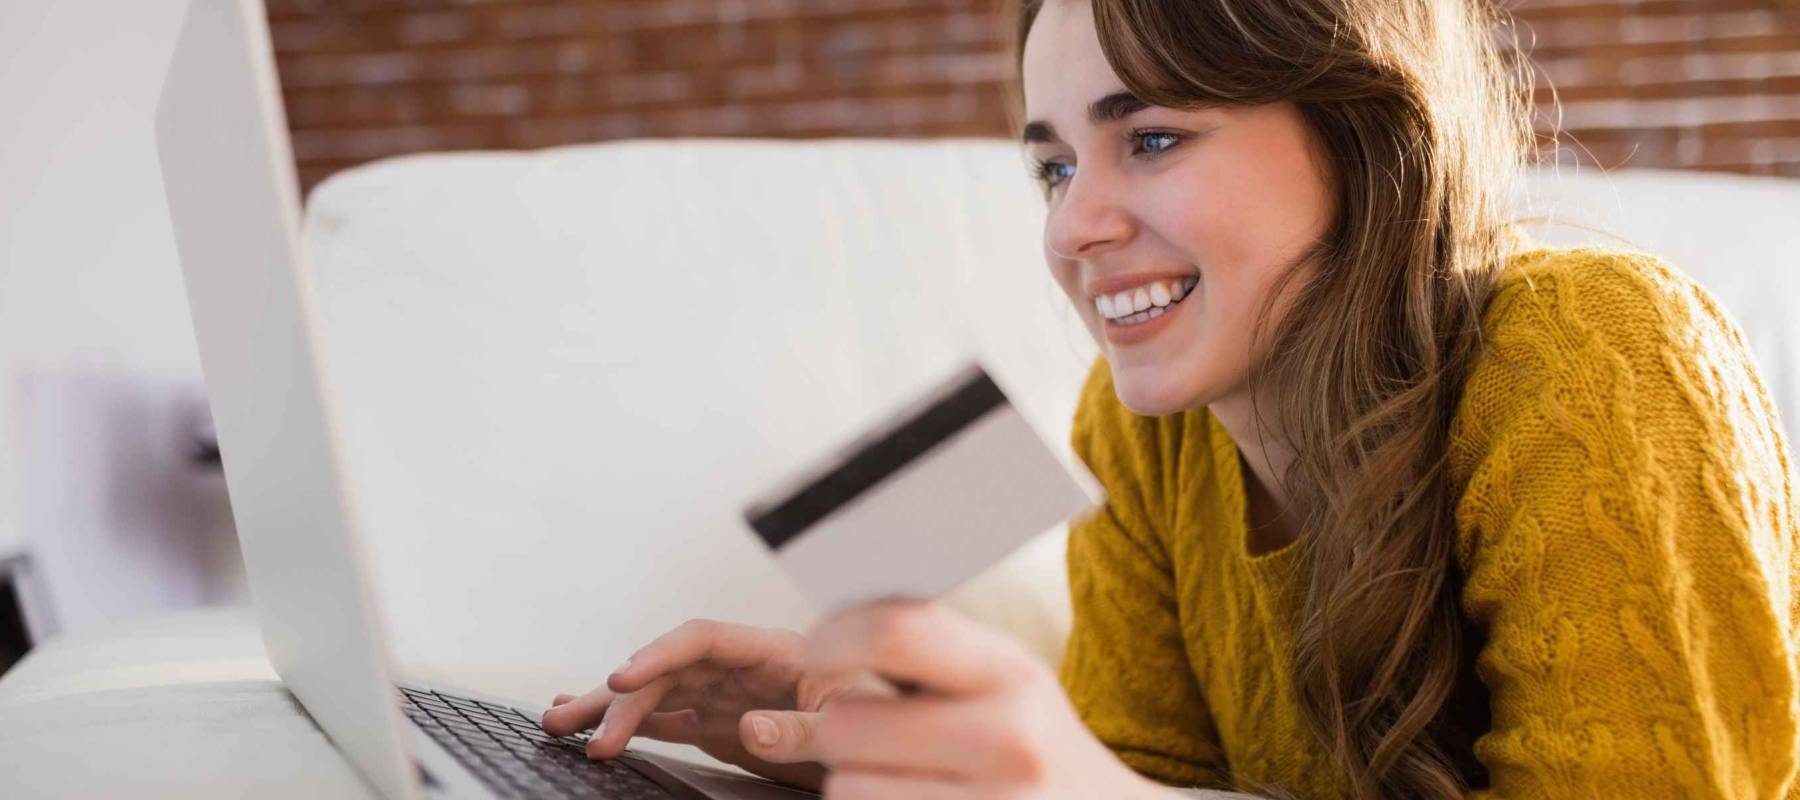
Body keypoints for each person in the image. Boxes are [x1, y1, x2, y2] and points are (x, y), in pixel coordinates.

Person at [542, 0, 1800, 797]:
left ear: (1361, 136)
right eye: (1053, 166)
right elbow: (1144, 775)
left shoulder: (1593, 349)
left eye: (1148, 137)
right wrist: (887, 744)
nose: (1072, 229)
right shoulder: (1143, 431)